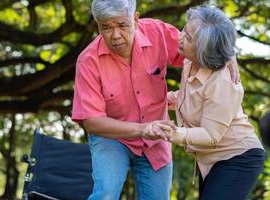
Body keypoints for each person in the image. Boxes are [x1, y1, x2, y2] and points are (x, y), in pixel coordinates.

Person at [72, 0, 238, 199]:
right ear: (97, 24)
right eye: (105, 27)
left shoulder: (157, 32)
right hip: (113, 138)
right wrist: (143, 129)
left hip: (156, 140)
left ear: (135, 19)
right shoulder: (88, 61)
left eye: (122, 25)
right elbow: (92, 122)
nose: (115, 36)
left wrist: (228, 54)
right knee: (106, 193)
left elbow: (200, 45)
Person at [165, 5, 265, 200]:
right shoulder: (189, 62)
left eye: (189, 37)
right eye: (184, 29)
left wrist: (176, 134)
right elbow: (198, 99)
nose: (181, 37)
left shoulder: (223, 81)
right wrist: (172, 99)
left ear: (204, 50)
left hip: (238, 157)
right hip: (211, 159)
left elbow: (211, 134)